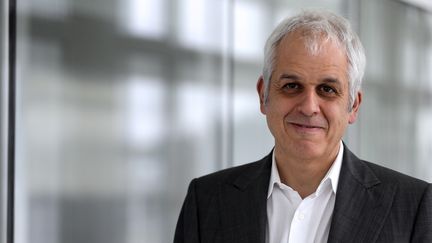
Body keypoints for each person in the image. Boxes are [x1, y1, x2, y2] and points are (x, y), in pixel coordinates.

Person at [173, 10, 432, 243]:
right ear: (264, 95)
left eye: (327, 89)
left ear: (353, 105)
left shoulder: (413, 207)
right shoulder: (206, 201)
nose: (309, 107)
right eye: (291, 86)